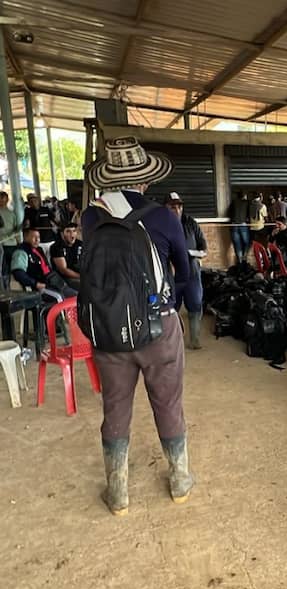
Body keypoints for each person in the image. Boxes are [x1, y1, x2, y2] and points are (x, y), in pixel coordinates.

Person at [81, 136, 192, 516]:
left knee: (115, 407)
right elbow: (187, 272)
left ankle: (118, 494)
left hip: (109, 330)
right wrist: (172, 307)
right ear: (145, 179)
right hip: (158, 327)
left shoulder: (90, 216)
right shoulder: (163, 216)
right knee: (168, 402)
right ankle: (178, 480)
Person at [166, 193, 208, 350]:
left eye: (179, 206)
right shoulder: (161, 225)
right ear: (165, 207)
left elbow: (204, 250)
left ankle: (194, 340)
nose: (176, 209)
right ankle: (171, 342)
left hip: (191, 272)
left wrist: (189, 253)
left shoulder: (191, 223)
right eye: (172, 206)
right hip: (170, 274)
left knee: (195, 303)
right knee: (170, 308)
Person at [11, 227, 77, 299]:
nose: (37, 240)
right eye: (34, 237)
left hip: (54, 280)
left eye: (38, 237)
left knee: (77, 294)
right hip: (42, 286)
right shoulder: (21, 252)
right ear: (25, 237)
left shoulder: (39, 249)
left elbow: (47, 267)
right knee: (67, 298)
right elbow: (19, 273)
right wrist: (35, 284)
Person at [50, 223, 83, 290]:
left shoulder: (80, 244)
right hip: (65, 278)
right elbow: (63, 270)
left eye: (74, 231)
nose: (72, 234)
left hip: (80, 275)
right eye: (68, 231)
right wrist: (81, 276)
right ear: (62, 234)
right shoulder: (56, 247)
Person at [0, 191, 20, 286]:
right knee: (4, 269)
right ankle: (5, 287)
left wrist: (19, 243)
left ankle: (7, 286)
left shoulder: (12, 213)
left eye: (4, 198)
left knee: (10, 268)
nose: (2, 200)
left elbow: (16, 230)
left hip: (12, 245)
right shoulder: (12, 213)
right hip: (2, 245)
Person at [227, 191, 250, 265]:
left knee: (237, 244)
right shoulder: (246, 202)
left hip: (234, 225)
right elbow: (249, 214)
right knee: (246, 243)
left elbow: (229, 213)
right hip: (243, 224)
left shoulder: (233, 202)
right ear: (244, 196)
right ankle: (244, 259)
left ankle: (239, 261)